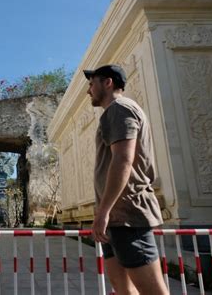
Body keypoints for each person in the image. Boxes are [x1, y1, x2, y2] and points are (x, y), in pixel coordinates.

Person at [84, 65, 168, 295]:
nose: (88, 91)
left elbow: (123, 159)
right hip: (115, 218)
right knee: (123, 290)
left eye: (92, 84)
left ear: (108, 83)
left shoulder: (119, 109)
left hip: (127, 214)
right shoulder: (113, 112)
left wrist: (103, 212)